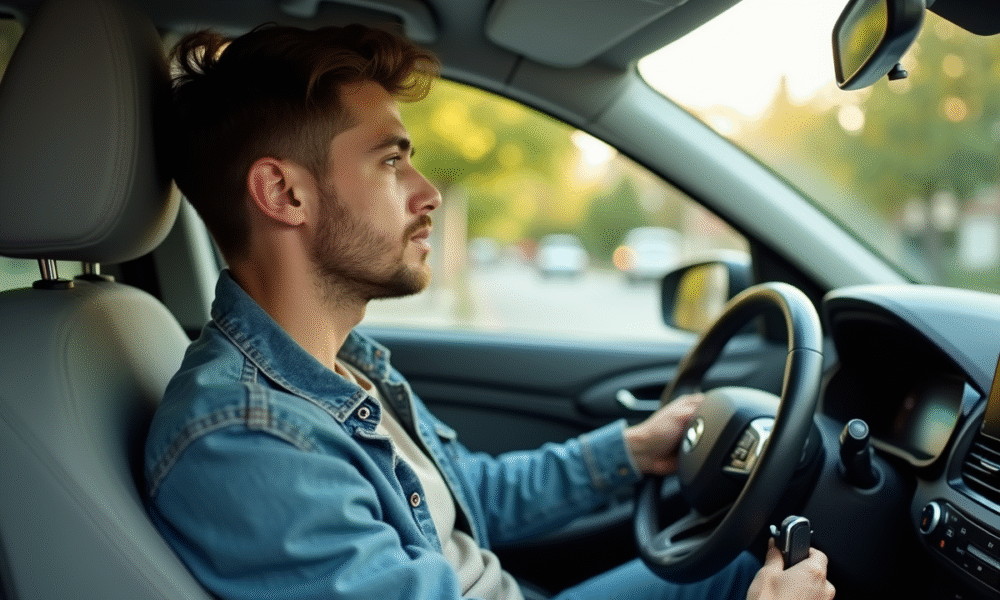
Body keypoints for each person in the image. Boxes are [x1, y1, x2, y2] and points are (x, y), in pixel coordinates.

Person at [144, 23, 835, 600]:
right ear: (283, 193)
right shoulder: (249, 441)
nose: (428, 193)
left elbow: (467, 494)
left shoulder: (338, 366)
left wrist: (632, 450)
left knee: (745, 562)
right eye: (390, 163)